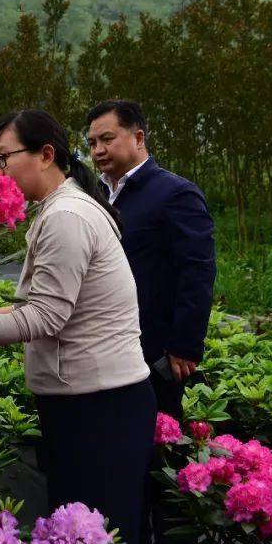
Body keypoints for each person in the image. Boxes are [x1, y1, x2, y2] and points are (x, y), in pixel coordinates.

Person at [0, 110, 155, 544]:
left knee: (99, 541)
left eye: (4, 157)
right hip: (94, 401)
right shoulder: (63, 208)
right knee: (87, 537)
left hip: (99, 408)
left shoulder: (66, 216)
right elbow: (66, 304)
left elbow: (47, 317)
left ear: (46, 154)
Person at [86, 100, 215, 421]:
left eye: (107, 139)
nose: (98, 150)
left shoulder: (174, 194)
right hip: (101, 344)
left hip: (153, 348)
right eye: (92, 143)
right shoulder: (94, 196)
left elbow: (196, 272)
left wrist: (185, 344)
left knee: (154, 441)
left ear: (139, 138)